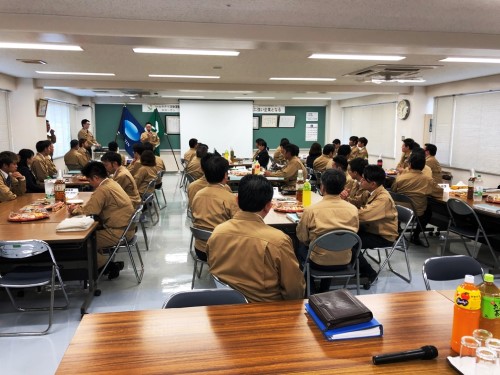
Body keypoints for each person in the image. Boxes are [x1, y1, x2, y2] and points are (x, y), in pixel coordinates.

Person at [206, 174, 305, 302]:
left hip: (224, 306)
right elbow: (294, 290)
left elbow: (212, 266)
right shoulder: (278, 240)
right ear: (268, 206)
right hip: (266, 312)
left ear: (236, 200)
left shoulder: (217, 232)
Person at [68, 161, 135, 279]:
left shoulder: (102, 189)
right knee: (89, 234)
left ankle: (107, 266)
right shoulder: (111, 182)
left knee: (82, 243)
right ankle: (105, 265)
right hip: (126, 228)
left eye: (89, 180)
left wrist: (74, 210)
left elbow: (89, 211)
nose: (90, 183)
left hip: (117, 232)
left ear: (95, 177)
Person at [296, 169, 359, 292]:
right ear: (343, 188)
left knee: (298, 249)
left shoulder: (311, 210)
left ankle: (311, 291)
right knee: (332, 244)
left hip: (318, 261)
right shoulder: (353, 209)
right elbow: (353, 234)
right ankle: (325, 289)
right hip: (345, 260)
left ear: (322, 187)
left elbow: (302, 237)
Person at [191, 155, 239, 261]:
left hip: (200, 250)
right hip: (222, 250)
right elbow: (238, 224)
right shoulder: (230, 198)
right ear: (225, 175)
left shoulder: (197, 194)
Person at [356, 165, 398, 283]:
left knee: (350, 242)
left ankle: (369, 273)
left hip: (383, 235)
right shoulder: (370, 192)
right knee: (345, 235)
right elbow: (357, 201)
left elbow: (363, 215)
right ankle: (353, 266)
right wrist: (346, 199)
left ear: (373, 183)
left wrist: (345, 213)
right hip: (371, 229)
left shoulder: (383, 198)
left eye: (364, 179)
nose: (361, 180)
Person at [391, 151, 443, 245]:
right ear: (423, 166)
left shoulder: (400, 178)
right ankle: (416, 235)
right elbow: (439, 193)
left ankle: (397, 231)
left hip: (399, 210)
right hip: (416, 212)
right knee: (428, 212)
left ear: (409, 164)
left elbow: (393, 191)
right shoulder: (427, 180)